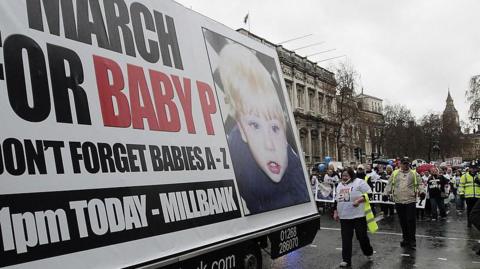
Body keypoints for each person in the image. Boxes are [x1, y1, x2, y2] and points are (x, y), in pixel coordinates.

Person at [216, 42, 309, 215]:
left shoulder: (292, 165)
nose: (269, 144)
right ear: (242, 129)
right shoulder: (235, 147)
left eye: (274, 128)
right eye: (254, 125)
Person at [334, 167, 374, 267]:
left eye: (346, 175)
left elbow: (370, 194)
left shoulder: (359, 182)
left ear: (351, 175)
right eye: (343, 175)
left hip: (358, 216)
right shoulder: (339, 185)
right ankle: (346, 260)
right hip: (344, 216)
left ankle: (368, 252)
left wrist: (359, 200)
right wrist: (335, 212)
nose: (344, 177)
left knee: (362, 237)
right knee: (346, 239)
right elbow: (337, 200)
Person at [383, 157, 425, 249]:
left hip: (410, 200)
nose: (406, 165)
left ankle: (412, 240)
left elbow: (420, 184)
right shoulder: (395, 173)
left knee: (411, 220)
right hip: (399, 200)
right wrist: (385, 194)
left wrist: (422, 192)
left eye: (407, 163)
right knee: (403, 221)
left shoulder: (414, 174)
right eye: (404, 163)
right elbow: (389, 184)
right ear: (400, 164)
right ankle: (405, 239)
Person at [459, 162, 480, 227]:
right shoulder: (464, 176)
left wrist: (479, 182)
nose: (473, 169)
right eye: (472, 168)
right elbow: (461, 185)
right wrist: (461, 193)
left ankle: (477, 223)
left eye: (475, 168)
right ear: (469, 168)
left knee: (478, 212)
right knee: (469, 211)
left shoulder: (479, 175)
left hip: (478, 197)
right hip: (469, 197)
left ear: (477, 169)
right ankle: (469, 222)